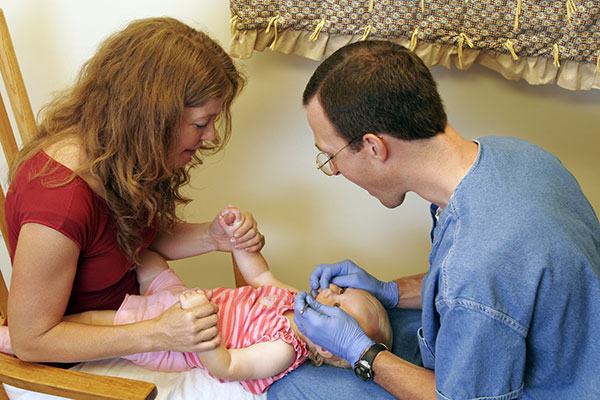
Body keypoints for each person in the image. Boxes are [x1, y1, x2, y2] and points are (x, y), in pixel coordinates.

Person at [270, 40, 600, 399]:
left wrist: (362, 353)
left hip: (550, 388)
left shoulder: (476, 263)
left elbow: (479, 284)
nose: (333, 170)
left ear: (373, 147)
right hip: (576, 356)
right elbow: (508, 286)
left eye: (330, 156)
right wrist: (392, 290)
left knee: (294, 385)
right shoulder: (520, 157)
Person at [3, 17, 265, 365]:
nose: (212, 136)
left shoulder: (117, 158)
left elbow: (131, 239)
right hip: (81, 358)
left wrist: (213, 237)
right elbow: (32, 340)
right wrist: (159, 332)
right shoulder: (58, 203)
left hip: (133, 321)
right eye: (201, 124)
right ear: (152, 119)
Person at [0, 206, 394, 395]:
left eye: (339, 308)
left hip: (177, 338)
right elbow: (257, 276)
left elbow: (227, 366)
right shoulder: (291, 298)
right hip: (185, 299)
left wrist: (199, 330)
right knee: (147, 256)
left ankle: (12, 338)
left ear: (327, 351)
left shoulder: (284, 350)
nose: (329, 294)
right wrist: (238, 241)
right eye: (340, 291)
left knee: (89, 321)